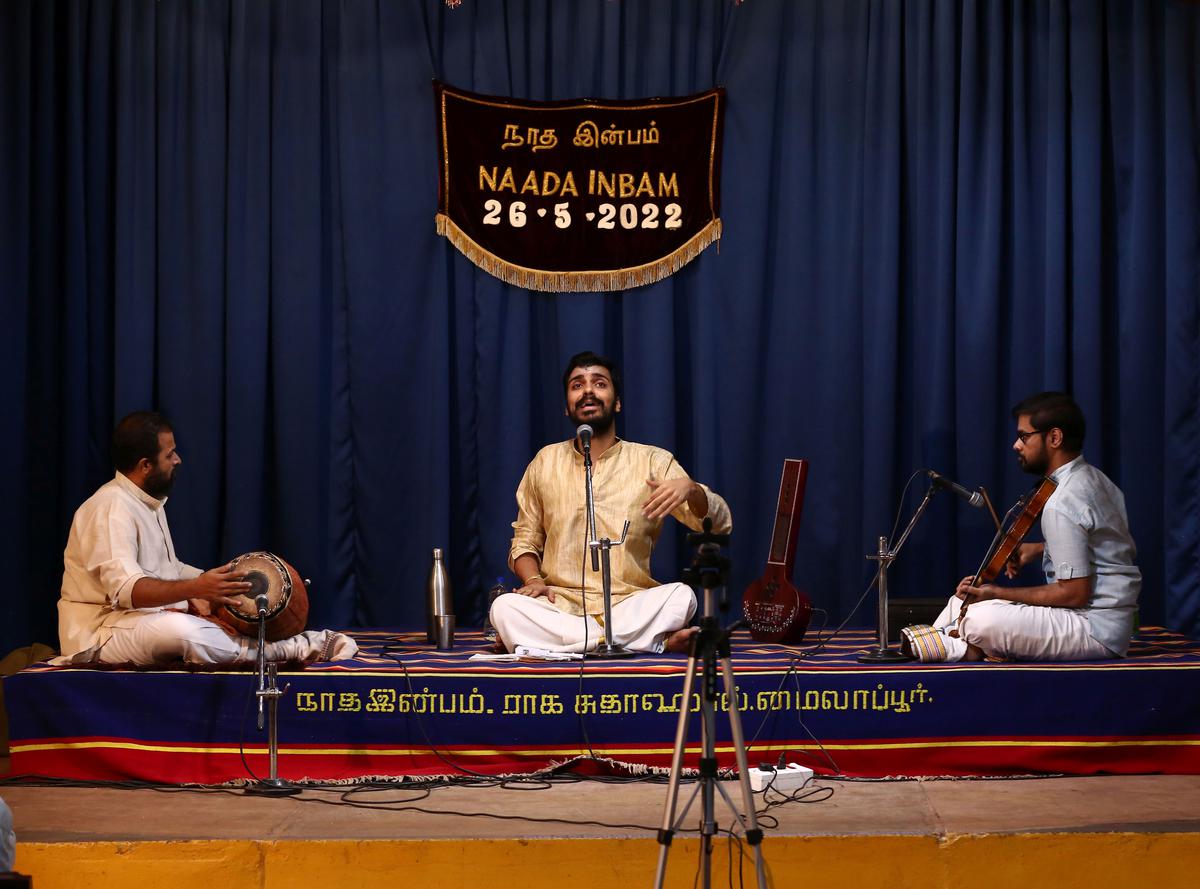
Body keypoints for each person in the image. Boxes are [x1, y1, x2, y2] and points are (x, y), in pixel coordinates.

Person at [55, 412, 357, 667]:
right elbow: (127, 590)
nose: (178, 460)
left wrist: (223, 582)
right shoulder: (111, 509)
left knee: (194, 619)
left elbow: (168, 568)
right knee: (178, 631)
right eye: (169, 454)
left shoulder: (146, 503)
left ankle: (255, 643)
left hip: (136, 621)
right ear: (145, 465)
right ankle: (289, 650)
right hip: (99, 633)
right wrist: (197, 589)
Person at [490, 352, 732, 654]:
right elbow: (524, 540)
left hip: (630, 603)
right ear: (567, 406)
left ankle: (553, 644)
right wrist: (534, 579)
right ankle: (650, 643)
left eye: (599, 383)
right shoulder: (545, 462)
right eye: (577, 385)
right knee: (504, 607)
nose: (588, 391)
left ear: (616, 402)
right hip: (558, 605)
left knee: (682, 597)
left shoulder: (652, 461)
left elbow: (719, 525)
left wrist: (692, 489)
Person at [904, 392, 1141, 662]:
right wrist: (1040, 549)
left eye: (1024, 436)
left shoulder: (1062, 501)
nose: (1016, 445)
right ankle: (955, 642)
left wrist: (997, 592)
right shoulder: (1094, 479)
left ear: (1054, 438)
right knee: (960, 603)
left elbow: (1074, 593)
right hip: (1104, 623)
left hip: (1095, 629)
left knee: (979, 618)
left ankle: (964, 648)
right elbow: (1102, 543)